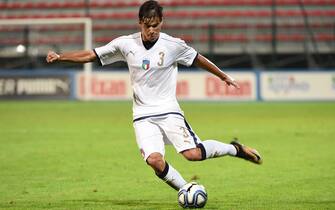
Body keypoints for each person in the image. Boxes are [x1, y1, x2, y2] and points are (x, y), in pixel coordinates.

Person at [46, 0, 262, 191]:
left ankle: (235, 149)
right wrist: (60, 57)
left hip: (169, 111)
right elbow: (91, 54)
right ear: (140, 22)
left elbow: (197, 58)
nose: (152, 30)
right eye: (148, 25)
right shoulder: (126, 43)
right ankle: (185, 189)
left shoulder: (173, 45)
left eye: (156, 25)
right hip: (142, 115)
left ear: (162, 22)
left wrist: (222, 76)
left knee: (193, 154)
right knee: (154, 160)